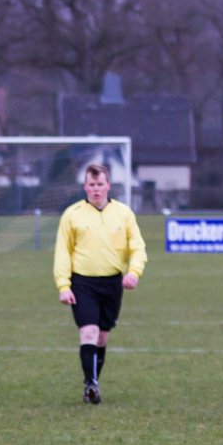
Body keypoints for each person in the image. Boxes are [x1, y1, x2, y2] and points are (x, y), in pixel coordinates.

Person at [53, 163, 147, 405]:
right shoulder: (72, 215)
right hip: (82, 283)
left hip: (113, 283)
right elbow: (62, 252)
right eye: (91, 184)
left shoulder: (124, 214)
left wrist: (134, 273)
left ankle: (93, 381)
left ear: (108, 186)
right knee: (89, 333)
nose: (95, 189)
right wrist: (64, 286)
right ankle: (90, 385)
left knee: (102, 337)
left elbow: (137, 247)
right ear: (85, 186)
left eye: (100, 184)